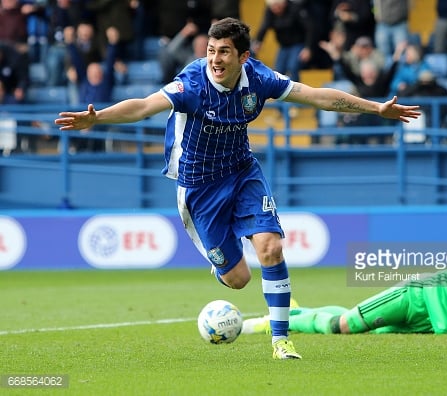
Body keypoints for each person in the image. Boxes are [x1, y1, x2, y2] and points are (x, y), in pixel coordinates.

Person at [54, 17, 421, 359]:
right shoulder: (192, 83)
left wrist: (376, 109)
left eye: (224, 51)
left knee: (271, 247)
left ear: (244, 57)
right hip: (199, 188)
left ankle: (281, 340)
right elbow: (144, 106)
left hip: (243, 172)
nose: (214, 58)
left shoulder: (259, 79)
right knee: (238, 279)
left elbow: (317, 96)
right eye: (211, 50)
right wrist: (98, 117)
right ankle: (223, 265)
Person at [243, 223, 447, 336]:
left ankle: (300, 314)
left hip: (436, 324)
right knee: (345, 326)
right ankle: (285, 319)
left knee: (373, 331)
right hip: (418, 298)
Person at [252, 0, 314, 82]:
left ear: (284, 3)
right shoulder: (270, 10)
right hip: (283, 45)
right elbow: (265, 26)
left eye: (278, 6)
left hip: (298, 43)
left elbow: (310, 28)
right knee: (278, 71)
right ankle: (279, 94)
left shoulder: (295, 8)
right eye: (273, 7)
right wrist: (258, 41)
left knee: (292, 68)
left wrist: (308, 48)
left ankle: (296, 93)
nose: (275, 9)